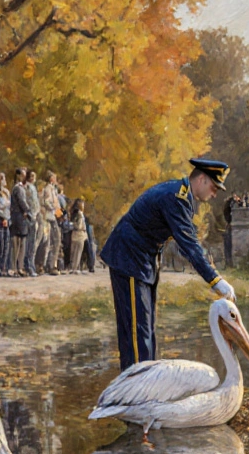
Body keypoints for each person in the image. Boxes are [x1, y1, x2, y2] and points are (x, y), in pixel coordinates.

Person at [100, 158, 235, 370]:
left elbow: (190, 245)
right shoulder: (177, 198)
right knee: (137, 334)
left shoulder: (181, 195)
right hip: (130, 259)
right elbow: (189, 245)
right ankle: (138, 391)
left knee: (144, 329)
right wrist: (215, 280)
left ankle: (142, 386)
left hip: (140, 261)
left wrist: (212, 272)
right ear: (201, 179)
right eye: (214, 186)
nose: (215, 194)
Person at [41, 172, 63, 275]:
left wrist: (59, 212)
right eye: (54, 177)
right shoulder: (48, 189)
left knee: (55, 241)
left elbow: (56, 203)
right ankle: (49, 265)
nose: (56, 179)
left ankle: (51, 265)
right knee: (52, 241)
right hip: (49, 217)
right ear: (50, 179)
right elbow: (46, 202)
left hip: (54, 217)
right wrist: (55, 211)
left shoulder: (53, 189)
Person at [9, 168, 30, 276]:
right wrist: (27, 210)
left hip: (21, 217)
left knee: (22, 243)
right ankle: (15, 268)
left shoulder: (21, 188)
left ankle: (19, 267)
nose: (24, 177)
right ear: (18, 176)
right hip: (18, 216)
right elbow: (22, 202)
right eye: (22, 175)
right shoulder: (17, 188)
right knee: (17, 243)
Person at [23, 170, 40, 275]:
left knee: (32, 243)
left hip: (34, 216)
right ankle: (28, 266)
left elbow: (36, 202)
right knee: (29, 243)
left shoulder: (33, 188)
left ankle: (31, 265)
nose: (33, 177)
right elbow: (28, 202)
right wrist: (30, 213)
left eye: (34, 176)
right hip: (29, 217)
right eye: (31, 176)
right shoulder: (27, 187)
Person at [68, 198, 89, 274]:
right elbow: (80, 226)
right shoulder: (80, 214)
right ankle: (75, 268)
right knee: (78, 252)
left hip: (74, 234)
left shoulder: (73, 213)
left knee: (73, 252)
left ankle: (72, 267)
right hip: (80, 234)